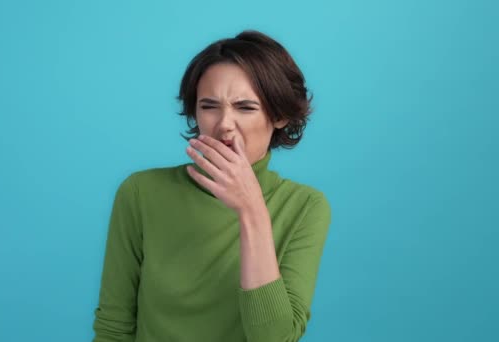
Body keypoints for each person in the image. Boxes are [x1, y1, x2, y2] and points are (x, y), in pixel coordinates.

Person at [92, 29, 332, 342]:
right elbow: (114, 326)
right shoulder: (140, 192)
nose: (224, 125)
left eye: (245, 107)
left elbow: (275, 338)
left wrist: (251, 210)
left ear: (280, 116)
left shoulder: (305, 207)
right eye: (209, 106)